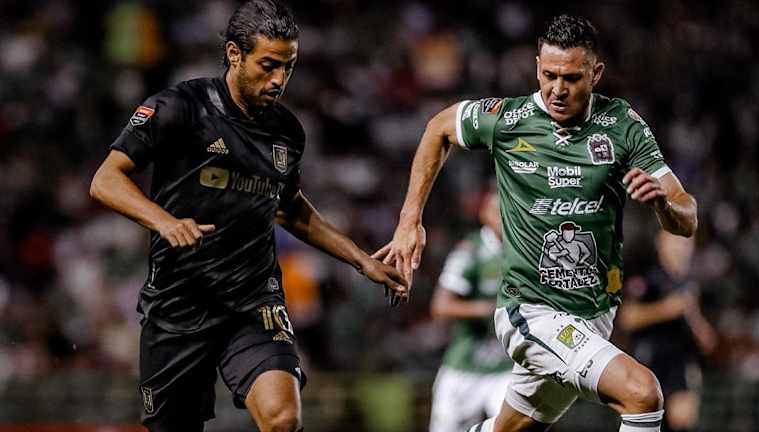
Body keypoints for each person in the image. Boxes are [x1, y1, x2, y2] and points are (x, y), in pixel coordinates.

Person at [89, 1, 406, 431]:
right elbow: (105, 180)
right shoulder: (180, 107)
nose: (279, 80)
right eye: (269, 65)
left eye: (288, 67)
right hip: (179, 304)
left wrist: (361, 259)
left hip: (253, 301)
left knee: (283, 419)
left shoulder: (287, 132)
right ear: (235, 54)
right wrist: (164, 220)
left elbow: (290, 208)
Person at [375, 14, 698, 432]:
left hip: (595, 315)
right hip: (531, 311)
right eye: (549, 75)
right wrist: (409, 220)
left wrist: (662, 205)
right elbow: (438, 127)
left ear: (596, 74)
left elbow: (686, 217)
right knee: (643, 393)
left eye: (572, 78)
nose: (558, 89)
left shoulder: (622, 125)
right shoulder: (508, 119)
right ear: (537, 68)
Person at [429, 190, 516, 432]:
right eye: (497, 212)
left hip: (506, 366)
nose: (503, 218)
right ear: (483, 214)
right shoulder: (470, 251)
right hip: (466, 364)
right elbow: (440, 307)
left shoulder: (523, 250)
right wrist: (490, 309)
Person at [619, 231, 717, 432]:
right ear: (661, 243)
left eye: (686, 244)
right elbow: (628, 318)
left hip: (681, 360)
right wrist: (666, 309)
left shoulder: (690, 283)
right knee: (647, 422)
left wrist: (696, 322)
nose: (681, 248)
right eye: (676, 242)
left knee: (682, 422)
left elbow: (706, 339)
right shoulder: (647, 276)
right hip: (650, 359)